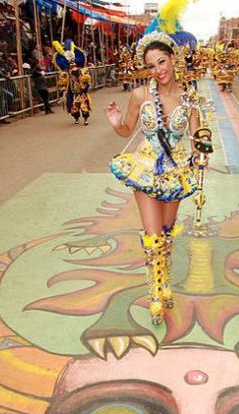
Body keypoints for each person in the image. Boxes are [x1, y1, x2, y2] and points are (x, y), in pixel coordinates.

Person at [105, 18, 212, 325]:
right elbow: (127, 130)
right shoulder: (139, 96)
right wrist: (115, 121)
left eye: (161, 61)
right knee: (152, 236)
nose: (157, 70)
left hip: (175, 173)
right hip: (145, 170)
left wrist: (201, 152)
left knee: (165, 235)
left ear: (173, 59)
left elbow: (196, 137)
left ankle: (164, 281)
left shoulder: (190, 98)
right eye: (151, 66)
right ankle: (154, 291)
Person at [53, 41, 92, 126]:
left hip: (81, 92)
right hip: (72, 93)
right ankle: (76, 118)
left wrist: (83, 80)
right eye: (71, 66)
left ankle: (85, 119)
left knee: (84, 106)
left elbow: (87, 79)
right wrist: (63, 89)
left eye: (74, 66)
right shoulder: (66, 74)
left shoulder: (82, 71)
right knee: (74, 108)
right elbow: (62, 83)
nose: (73, 67)